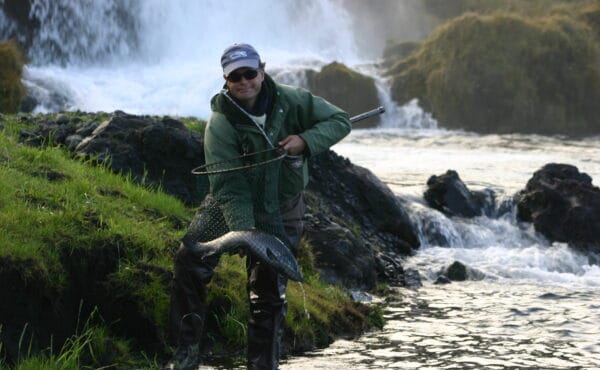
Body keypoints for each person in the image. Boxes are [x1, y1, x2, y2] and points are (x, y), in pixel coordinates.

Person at [167, 43, 352, 370]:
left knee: (267, 293)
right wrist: (244, 231)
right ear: (226, 80)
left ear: (262, 71)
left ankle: (263, 365)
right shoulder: (220, 124)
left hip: (283, 206)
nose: (243, 81)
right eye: (234, 76)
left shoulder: (294, 100)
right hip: (230, 204)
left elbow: (339, 120)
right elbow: (228, 187)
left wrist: (305, 142)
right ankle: (186, 353)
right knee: (189, 260)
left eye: (249, 73)